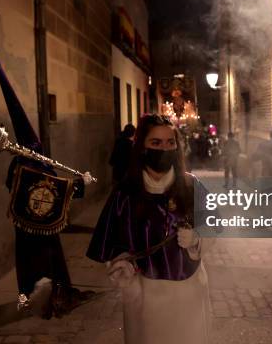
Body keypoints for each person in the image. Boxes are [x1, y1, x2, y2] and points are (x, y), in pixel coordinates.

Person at [86, 114, 211, 344]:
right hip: (144, 296)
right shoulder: (125, 193)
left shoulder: (192, 186)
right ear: (142, 147)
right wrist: (120, 263)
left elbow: (214, 227)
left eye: (170, 142)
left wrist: (196, 238)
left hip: (188, 290)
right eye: (156, 143)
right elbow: (112, 243)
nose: (164, 149)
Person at [0, 50, 94, 317]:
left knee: (26, 263)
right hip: (41, 226)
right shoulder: (30, 163)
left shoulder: (18, 163)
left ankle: (26, 299)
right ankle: (50, 300)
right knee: (48, 263)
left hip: (25, 224)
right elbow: (54, 189)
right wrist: (80, 183)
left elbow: (11, 185)